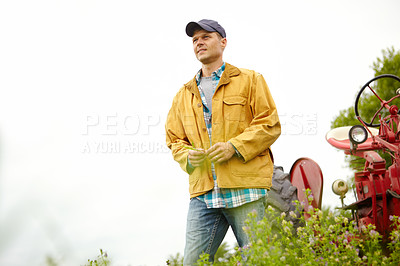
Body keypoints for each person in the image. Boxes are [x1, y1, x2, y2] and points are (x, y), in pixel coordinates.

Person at [165, 19, 281, 264]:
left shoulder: (250, 80)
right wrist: (187, 156)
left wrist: (234, 147)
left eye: (205, 37)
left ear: (223, 42)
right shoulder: (183, 95)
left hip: (246, 191)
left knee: (258, 260)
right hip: (204, 195)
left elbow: (269, 124)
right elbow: (174, 139)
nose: (199, 43)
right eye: (195, 40)